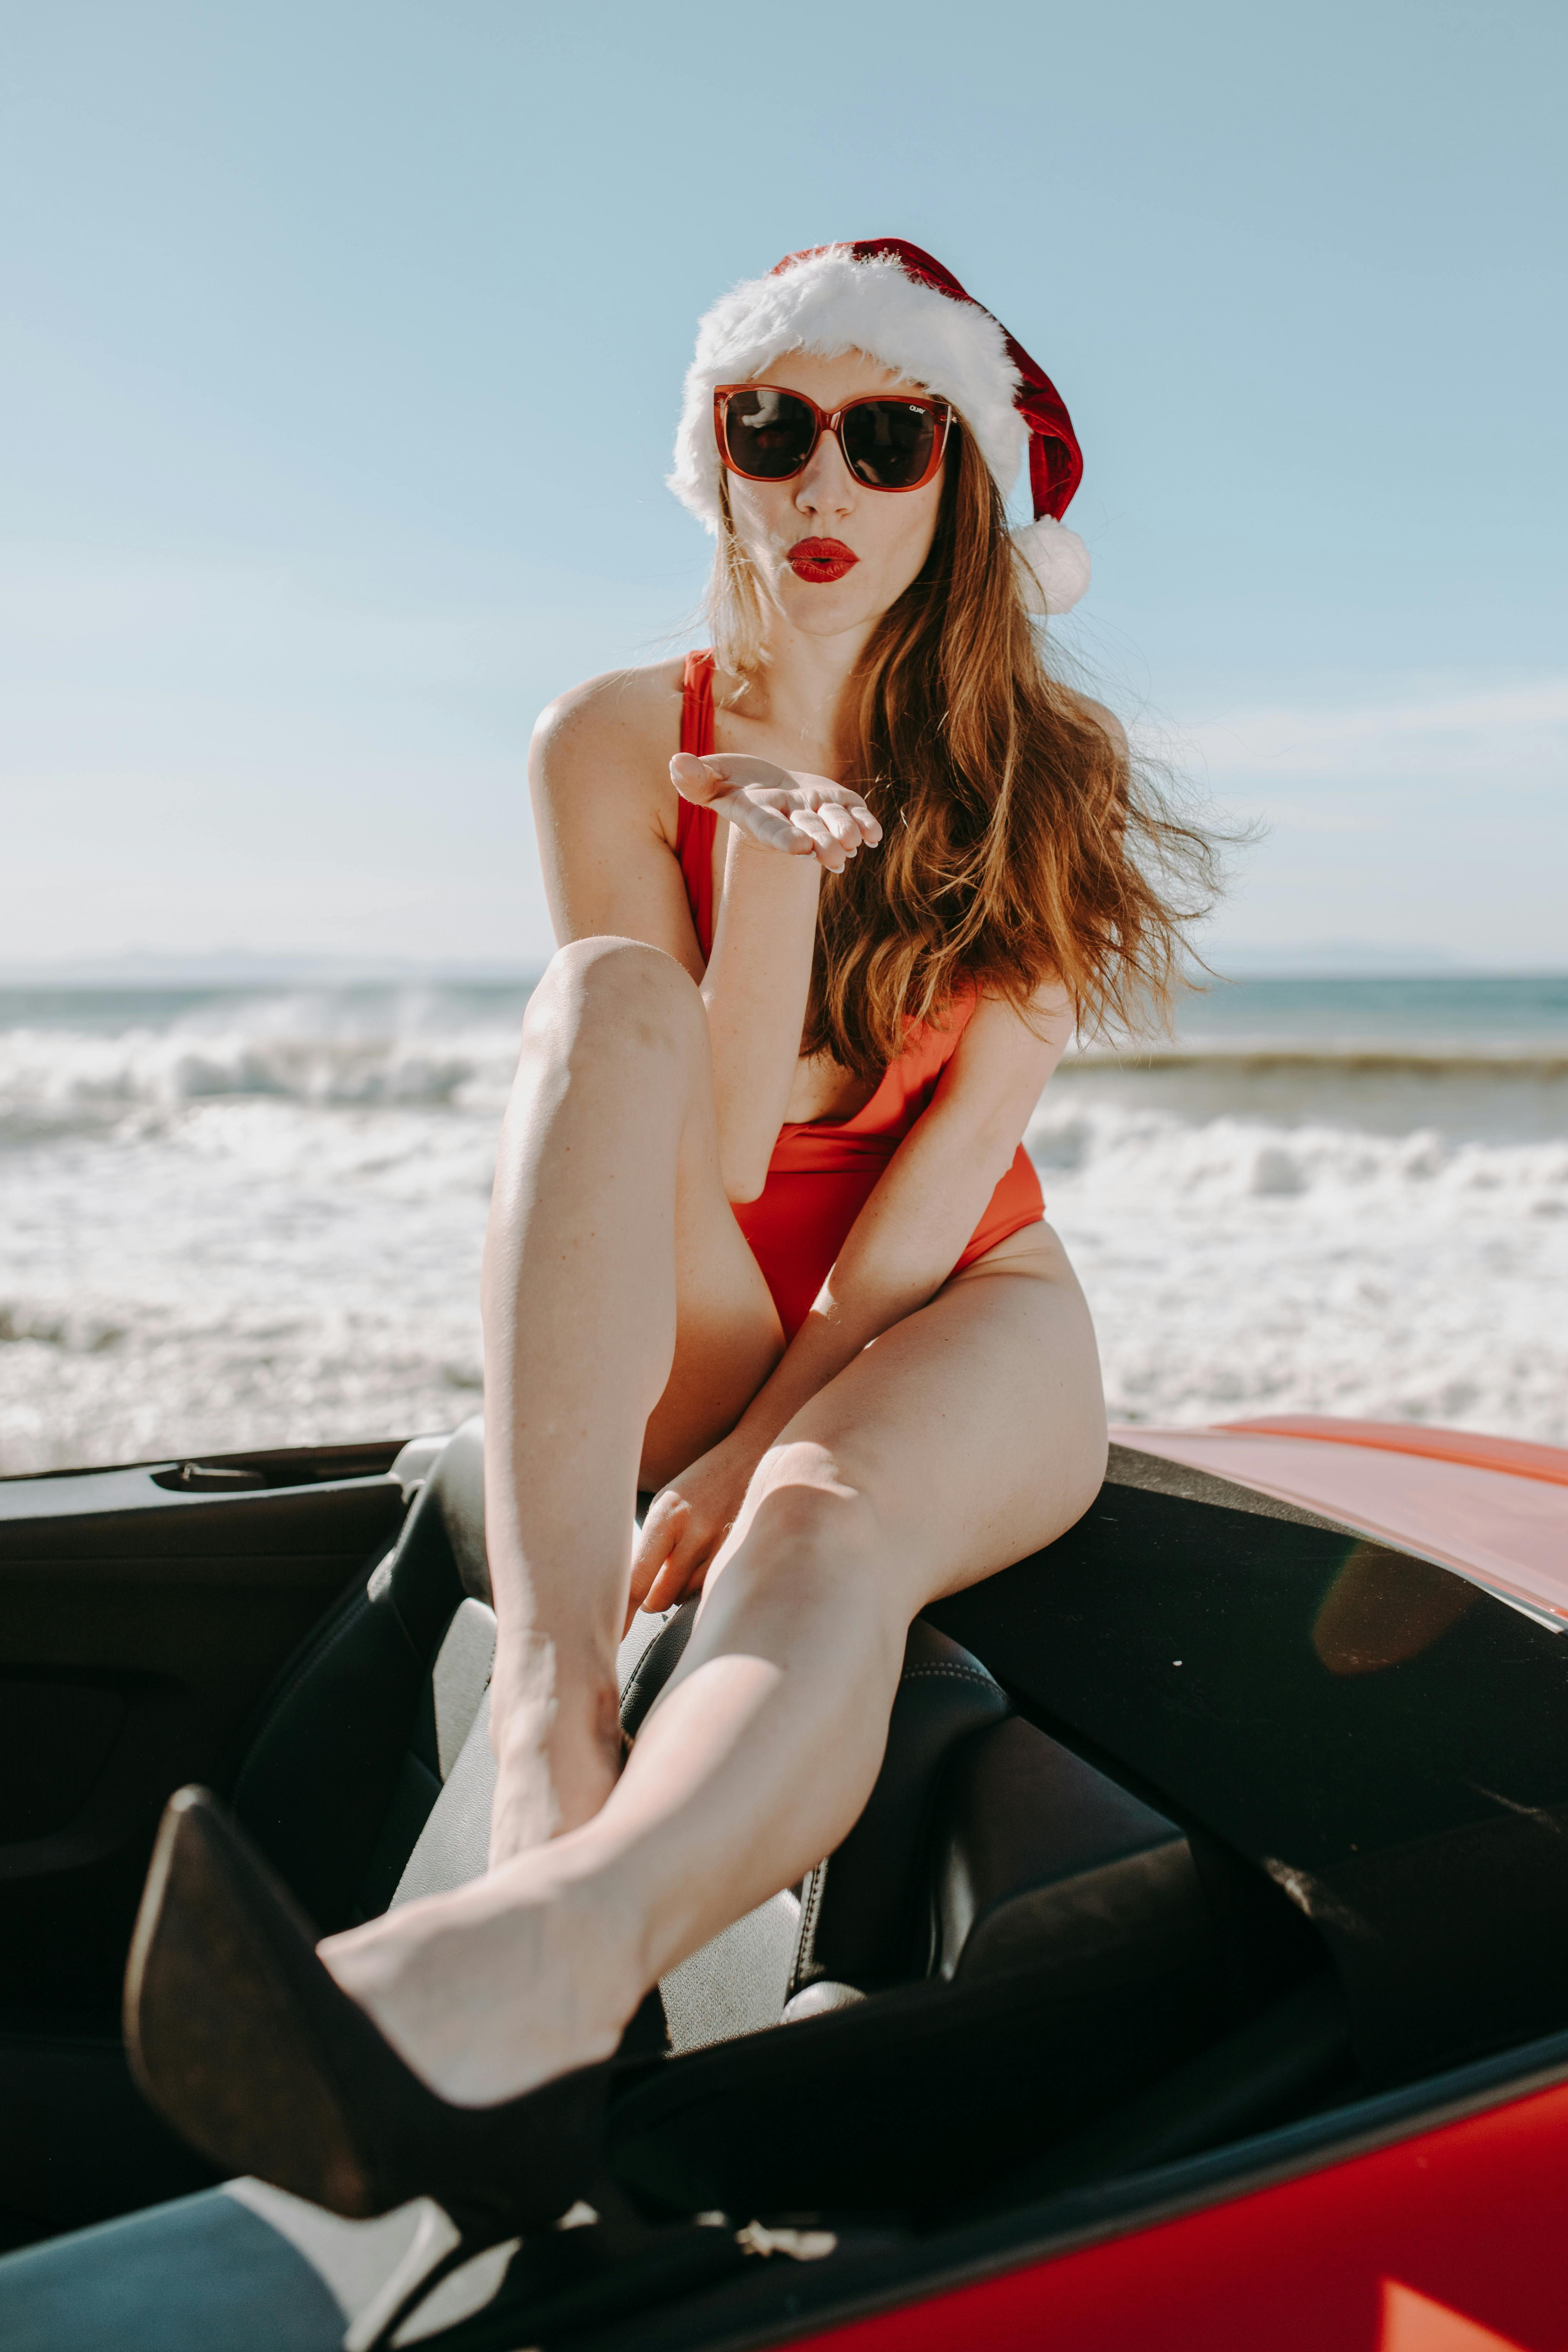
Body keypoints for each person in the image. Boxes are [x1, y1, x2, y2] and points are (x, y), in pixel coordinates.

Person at [127, 239, 1214, 2225]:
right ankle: (556, 1733)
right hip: (709, 1280)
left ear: (960, 484)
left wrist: (751, 1446)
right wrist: (780, 818)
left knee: (816, 1528)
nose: (821, 481)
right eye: (768, 427)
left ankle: (546, 1959)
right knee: (599, 1002)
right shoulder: (614, 738)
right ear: (711, 454)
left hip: (961, 1302)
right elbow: (706, 1156)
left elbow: (950, 1173)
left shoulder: (1052, 774)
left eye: (886, 437)